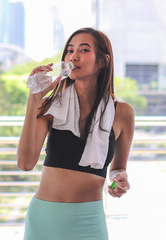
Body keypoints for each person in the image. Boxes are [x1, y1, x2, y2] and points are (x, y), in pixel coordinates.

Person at [17, 27, 135, 240]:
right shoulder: (50, 107)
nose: (73, 56)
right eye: (70, 50)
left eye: (84, 50)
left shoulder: (122, 113)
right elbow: (25, 163)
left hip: (89, 220)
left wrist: (120, 179)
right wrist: (33, 99)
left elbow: (118, 168)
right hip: (44, 219)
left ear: (103, 61)